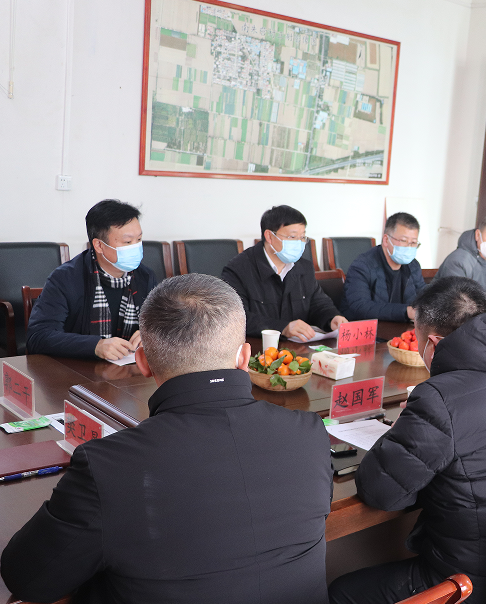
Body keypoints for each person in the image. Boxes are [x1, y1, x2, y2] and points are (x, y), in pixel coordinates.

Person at [1, 274, 333, 604]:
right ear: (245, 357)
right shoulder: (309, 433)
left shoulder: (108, 466)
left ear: (142, 362)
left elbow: (28, 579)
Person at [329, 277, 486, 604]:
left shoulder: (439, 398)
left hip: (476, 584)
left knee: (340, 593)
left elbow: (380, 491)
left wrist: (402, 428)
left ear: (433, 343)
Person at [26, 199, 158, 360]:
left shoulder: (145, 277)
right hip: (77, 368)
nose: (136, 247)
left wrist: (150, 334)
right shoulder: (65, 279)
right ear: (99, 245)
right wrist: (95, 345)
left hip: (129, 369)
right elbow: (38, 337)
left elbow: (163, 323)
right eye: (128, 242)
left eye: (139, 240)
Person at [221, 205, 347, 340]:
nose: (299, 243)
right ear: (269, 236)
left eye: (302, 237)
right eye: (292, 237)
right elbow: (236, 318)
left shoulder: (304, 267)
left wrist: (332, 318)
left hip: (298, 349)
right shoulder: (238, 269)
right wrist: (282, 328)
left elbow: (318, 303)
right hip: (257, 348)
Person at [339, 212, 426, 321]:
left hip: (401, 327)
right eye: (404, 241)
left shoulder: (413, 265)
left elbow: (423, 296)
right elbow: (361, 306)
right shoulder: (362, 266)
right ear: (386, 240)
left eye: (413, 243)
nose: (409, 247)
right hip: (366, 327)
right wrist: (406, 312)